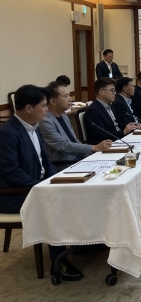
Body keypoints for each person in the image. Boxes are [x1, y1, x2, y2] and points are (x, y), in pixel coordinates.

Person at [0, 85, 84, 281]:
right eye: (44, 105)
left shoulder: (34, 126)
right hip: (14, 193)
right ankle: (58, 263)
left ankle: (83, 242)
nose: (47, 109)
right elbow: (10, 171)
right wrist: (40, 187)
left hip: (36, 186)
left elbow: (46, 160)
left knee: (74, 191)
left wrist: (54, 180)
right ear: (29, 108)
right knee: (54, 202)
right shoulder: (7, 133)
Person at [39, 82, 112, 170]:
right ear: (53, 101)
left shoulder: (65, 117)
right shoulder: (45, 121)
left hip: (79, 159)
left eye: (69, 95)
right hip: (64, 165)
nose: (70, 99)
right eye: (66, 96)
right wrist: (94, 147)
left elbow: (74, 141)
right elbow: (62, 145)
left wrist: (91, 153)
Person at [84, 78, 138, 145]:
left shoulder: (110, 106)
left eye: (115, 91)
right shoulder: (93, 110)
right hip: (107, 144)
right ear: (101, 92)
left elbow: (117, 125)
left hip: (119, 140)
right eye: (112, 90)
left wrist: (131, 125)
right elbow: (100, 134)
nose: (114, 93)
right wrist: (123, 132)